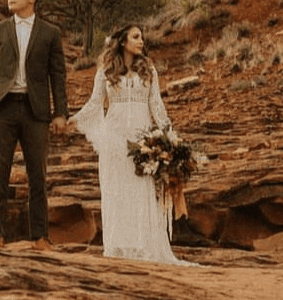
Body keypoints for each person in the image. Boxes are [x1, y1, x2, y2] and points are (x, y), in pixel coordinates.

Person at [71, 24, 195, 264]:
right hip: (114, 141)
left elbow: (157, 106)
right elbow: (95, 103)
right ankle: (119, 247)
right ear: (122, 41)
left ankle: (144, 248)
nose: (141, 41)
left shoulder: (149, 69)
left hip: (142, 142)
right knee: (116, 193)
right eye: (136, 37)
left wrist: (171, 138)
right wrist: (72, 120)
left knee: (142, 193)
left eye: (142, 37)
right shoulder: (105, 71)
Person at [0, 0, 69, 247]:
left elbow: (57, 75)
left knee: (38, 175)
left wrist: (60, 112)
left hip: (35, 110)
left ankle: (40, 236)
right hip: (2, 109)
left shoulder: (50, 33)